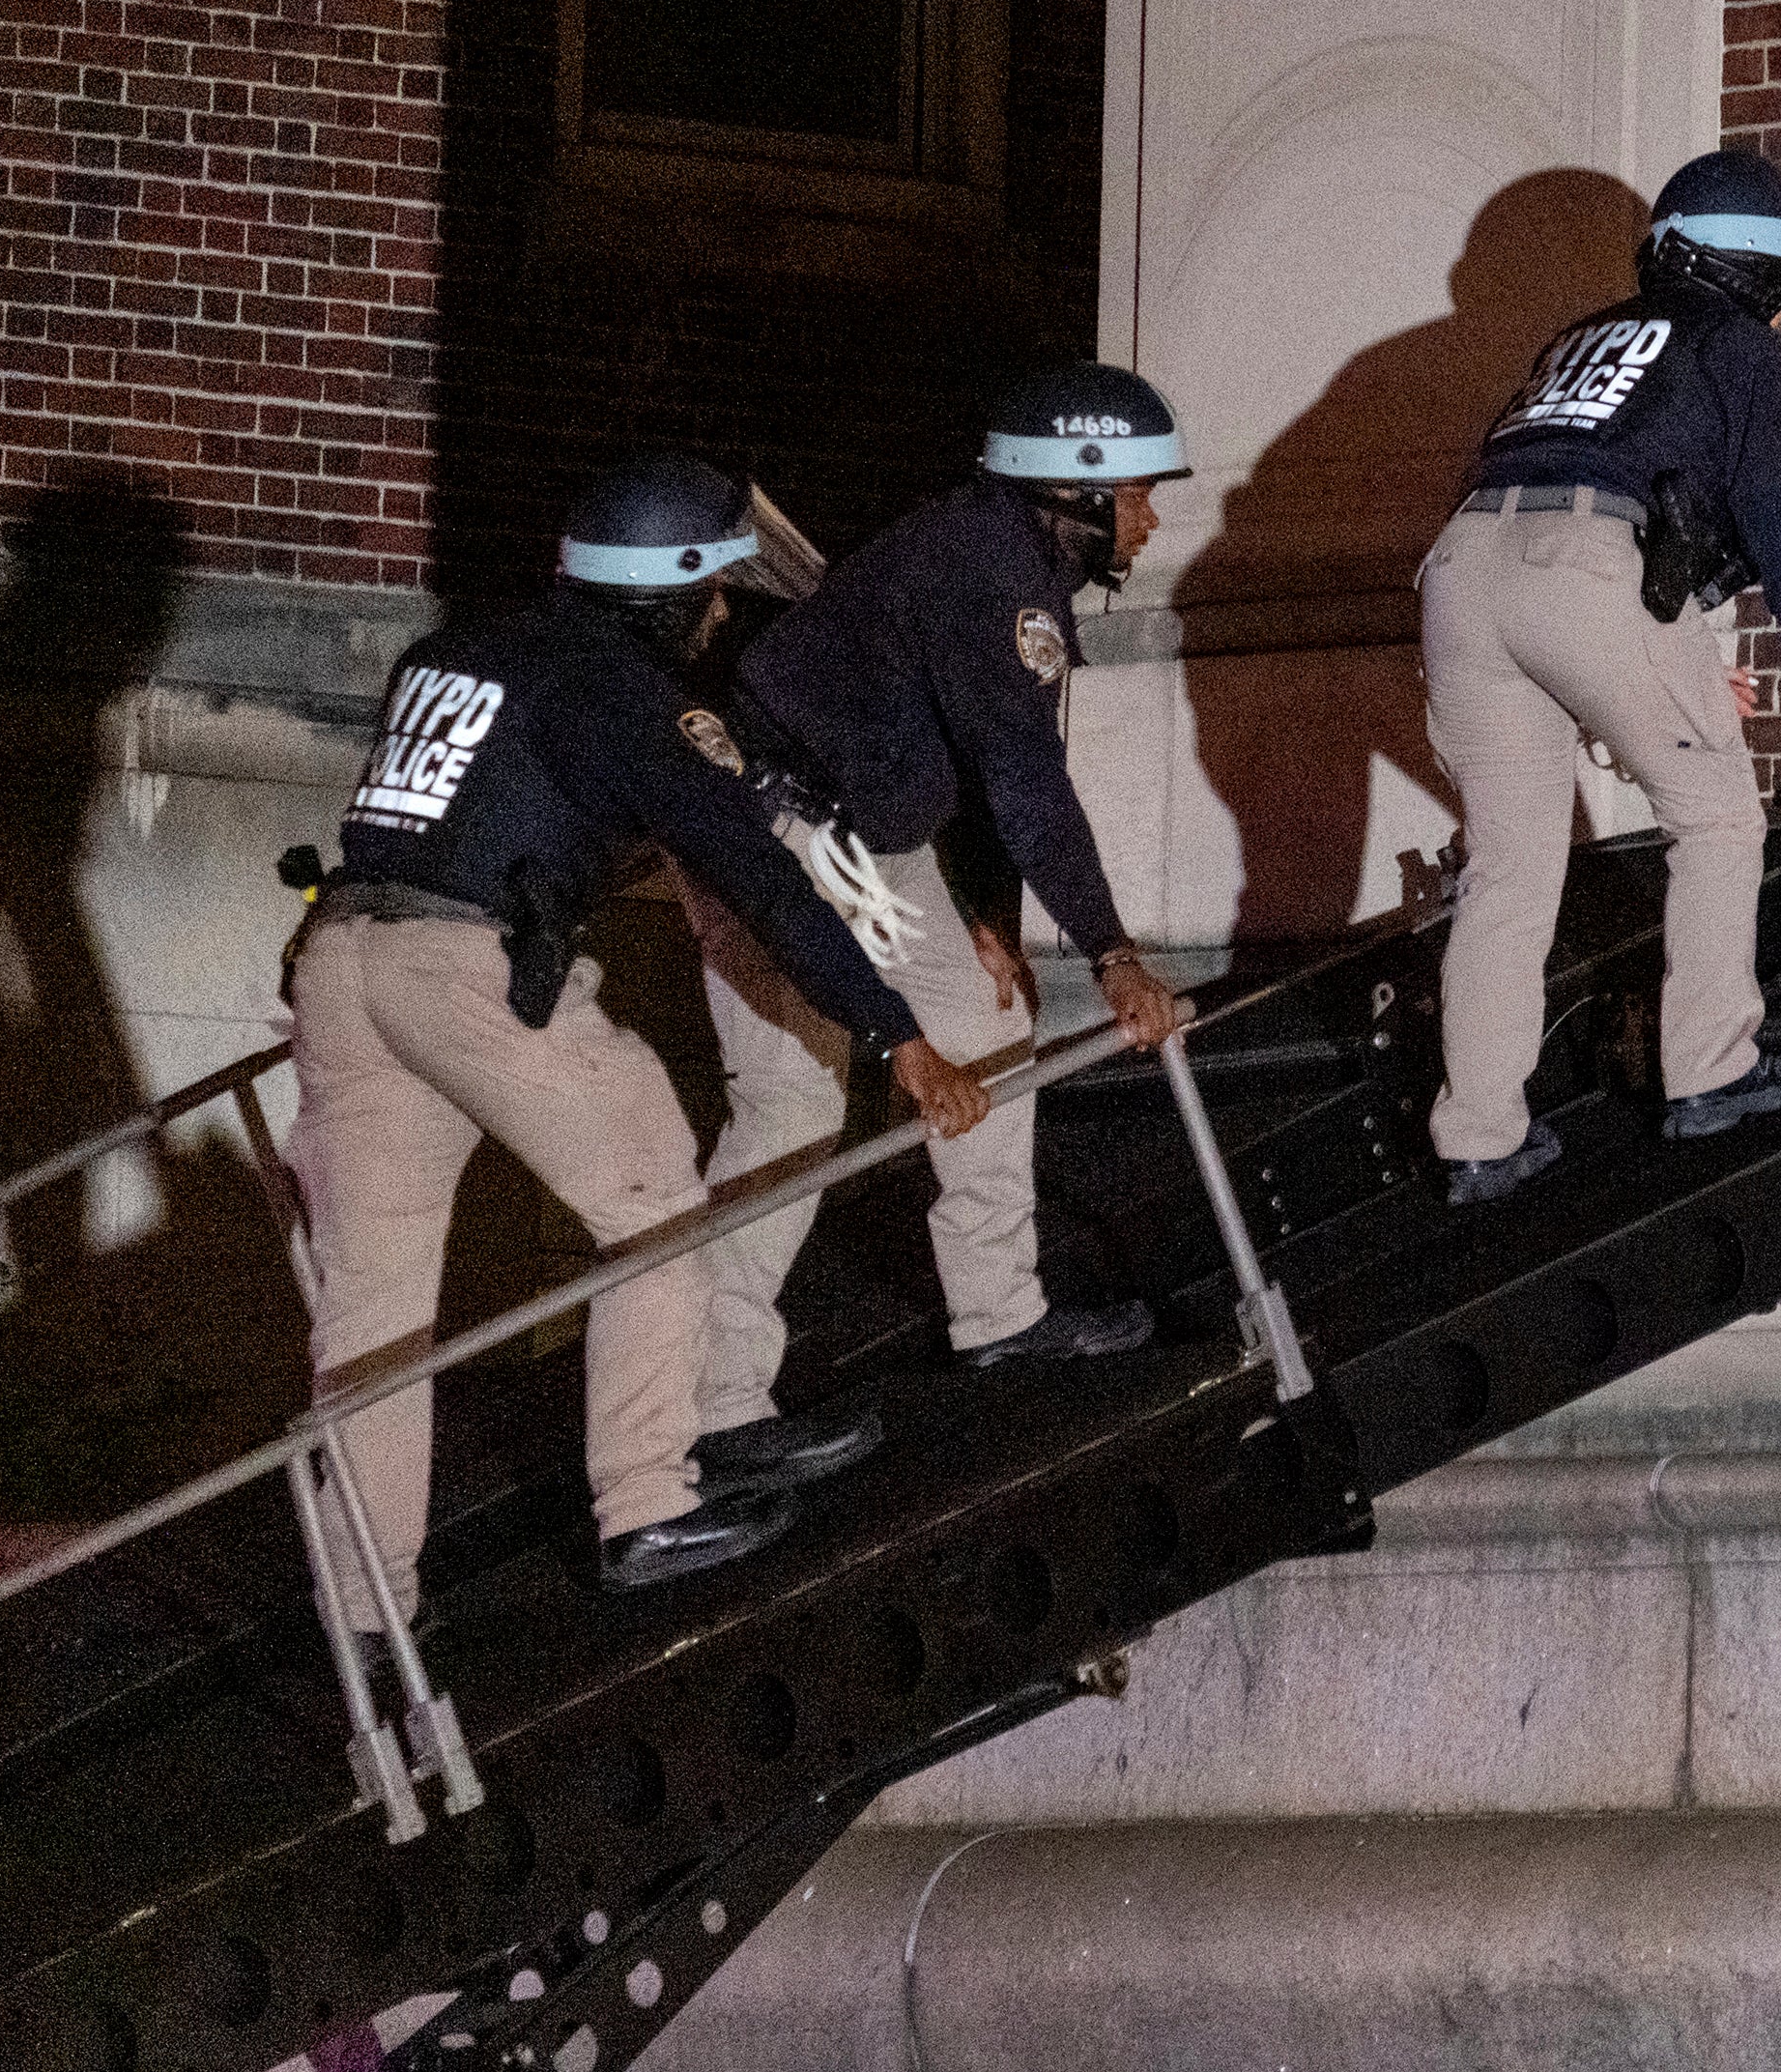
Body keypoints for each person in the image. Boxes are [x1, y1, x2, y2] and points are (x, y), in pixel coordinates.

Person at [286, 453, 991, 1621]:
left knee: (375, 1309)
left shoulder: (452, 652)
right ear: (665, 592)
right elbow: (759, 878)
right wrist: (895, 1035)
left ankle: (367, 1610)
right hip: (465, 969)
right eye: (711, 592)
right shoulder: (619, 689)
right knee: (656, 1196)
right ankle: (649, 1499)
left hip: (340, 961)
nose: (721, 617)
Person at [688, 362, 1191, 1425]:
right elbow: (1024, 781)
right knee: (791, 1104)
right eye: (1139, 490)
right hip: (784, 826)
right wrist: (1112, 951)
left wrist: (984, 916)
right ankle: (714, 1403)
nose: (1152, 516)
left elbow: (963, 757)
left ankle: (998, 1319)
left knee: (984, 1022)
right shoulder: (996, 575)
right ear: (1078, 488)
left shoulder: (987, 548)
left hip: (845, 824)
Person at [1422, 147, 1781, 1204]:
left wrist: (1638, 660)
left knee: (1507, 870)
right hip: (1585, 570)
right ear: (1757, 267)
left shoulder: (1584, 335)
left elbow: (1545, 483)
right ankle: (1713, 1070)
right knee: (1719, 821)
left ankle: (1481, 1136)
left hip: (1459, 568)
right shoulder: (1734, 343)